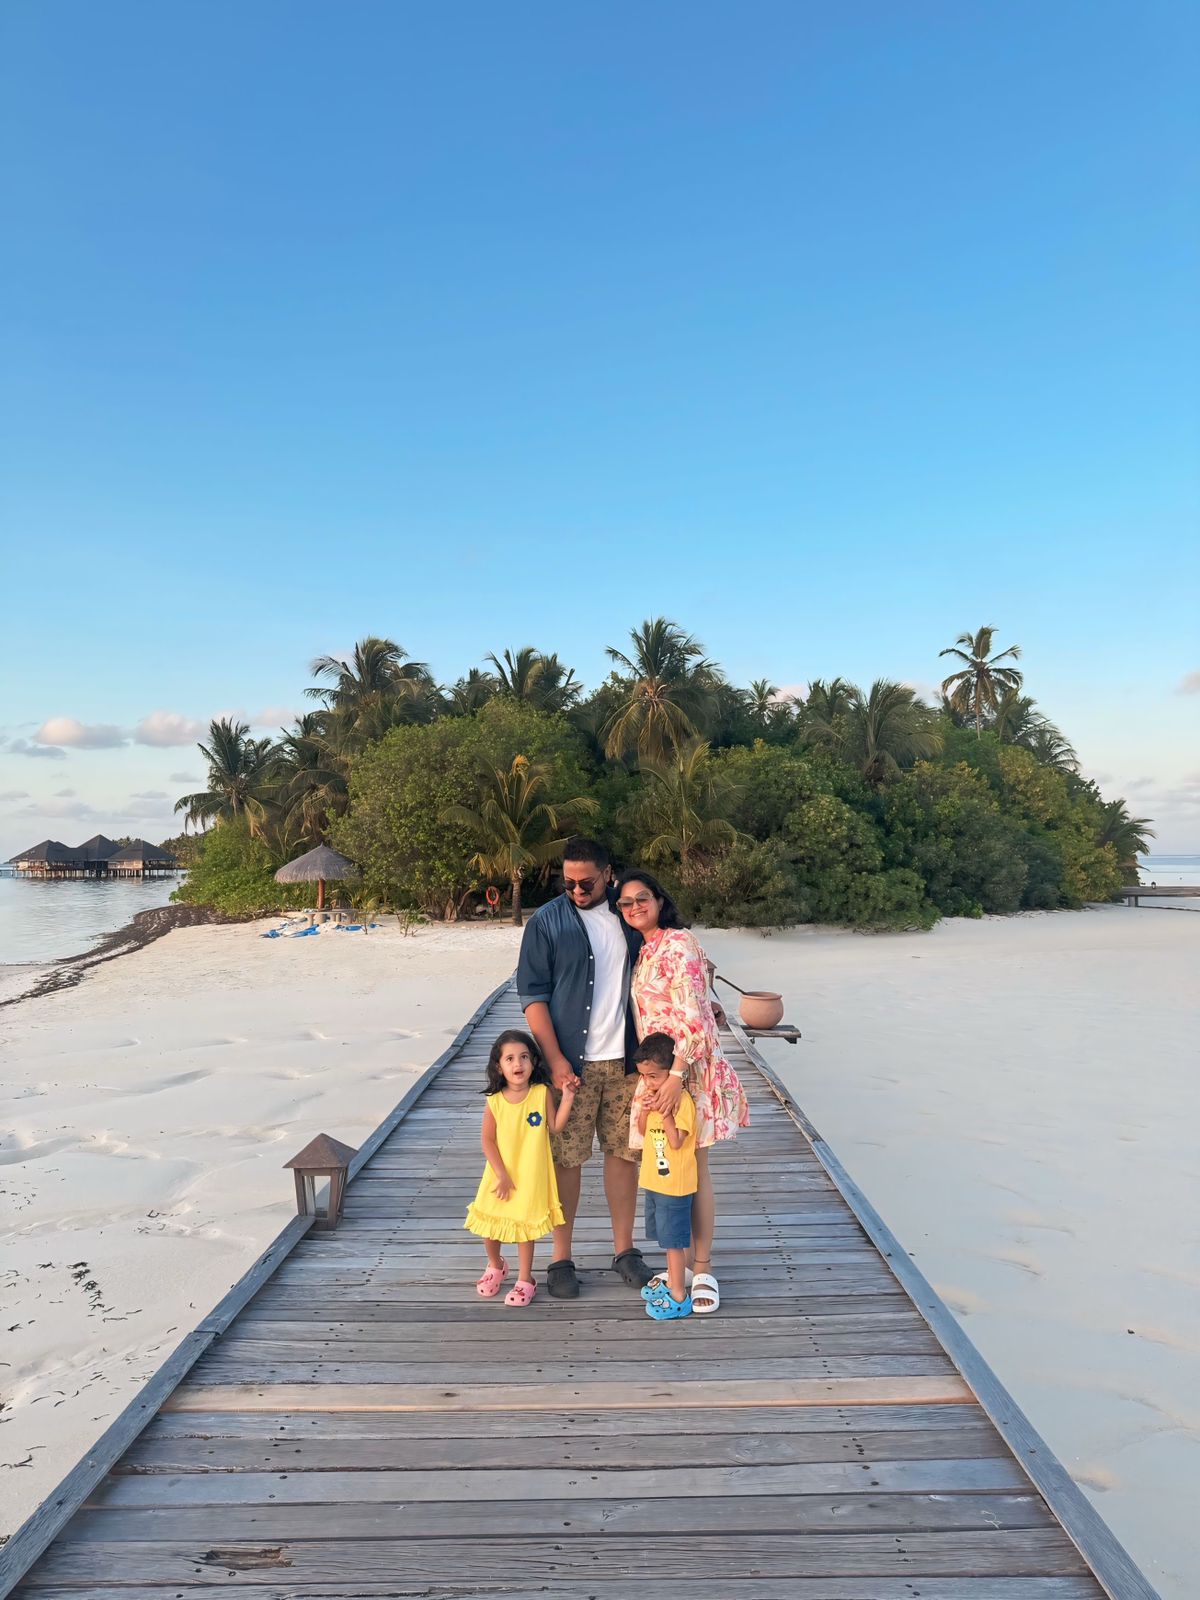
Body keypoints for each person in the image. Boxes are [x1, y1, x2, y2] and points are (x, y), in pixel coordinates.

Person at [517, 836, 655, 1298]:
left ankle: (625, 1251)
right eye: (569, 882)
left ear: (608, 874)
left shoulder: (630, 913)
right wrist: (554, 1059)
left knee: (624, 1155)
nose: (577, 890)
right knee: (566, 1159)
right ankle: (561, 1258)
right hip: (570, 1065)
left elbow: (665, 957)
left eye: (587, 883)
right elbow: (532, 996)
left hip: (627, 1061)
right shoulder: (546, 922)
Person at [616, 868, 749, 1316]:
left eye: (642, 898)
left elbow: (692, 1014)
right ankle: (684, 1264)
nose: (634, 907)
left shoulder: (679, 942)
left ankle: (703, 1267)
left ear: (659, 899)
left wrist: (675, 1077)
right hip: (661, 1074)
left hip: (687, 1071)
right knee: (674, 1168)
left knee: (696, 1168)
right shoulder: (646, 949)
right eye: (626, 902)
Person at [464, 1029, 575, 1307]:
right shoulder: (495, 1100)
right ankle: (496, 1265)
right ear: (498, 1066)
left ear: (534, 1062)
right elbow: (487, 1140)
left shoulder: (540, 1093)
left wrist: (568, 1098)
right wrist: (501, 1174)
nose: (518, 1064)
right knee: (490, 1225)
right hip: (500, 1173)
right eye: (510, 1058)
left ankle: (526, 1278)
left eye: (524, 1057)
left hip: (529, 1174)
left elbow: (555, 1126)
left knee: (525, 1227)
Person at [631, 1032, 697, 1320]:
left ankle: (679, 1295)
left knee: (674, 1243)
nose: (648, 1083)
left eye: (654, 1077)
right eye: (644, 1077)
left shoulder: (681, 1102)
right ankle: (671, 1281)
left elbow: (676, 1141)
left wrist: (666, 1112)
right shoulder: (653, 1097)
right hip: (655, 1181)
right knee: (665, 1239)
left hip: (675, 1185)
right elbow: (643, 1131)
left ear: (671, 1074)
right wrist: (646, 1111)